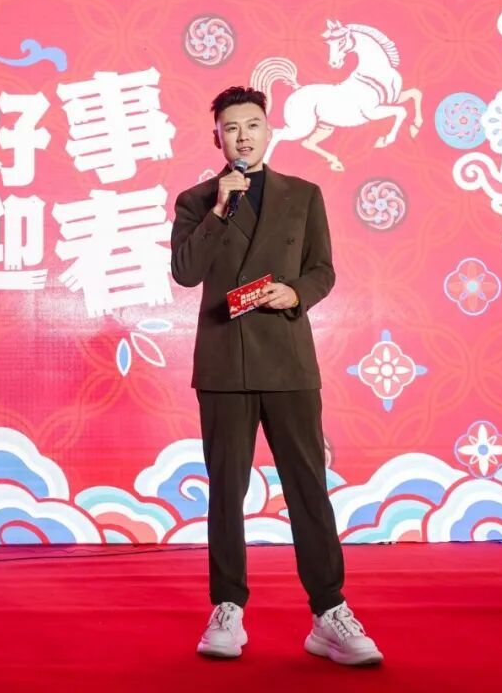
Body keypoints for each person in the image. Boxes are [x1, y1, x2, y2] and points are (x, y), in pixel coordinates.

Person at [170, 86, 382, 666]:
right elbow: (186, 272)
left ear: (269, 131)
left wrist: (295, 293)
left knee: (308, 487)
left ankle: (330, 611)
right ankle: (227, 608)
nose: (243, 136)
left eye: (253, 125)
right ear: (217, 137)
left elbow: (322, 269)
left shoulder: (304, 195)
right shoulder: (197, 200)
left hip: (288, 358)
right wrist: (220, 210)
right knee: (226, 491)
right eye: (231, 128)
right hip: (224, 363)